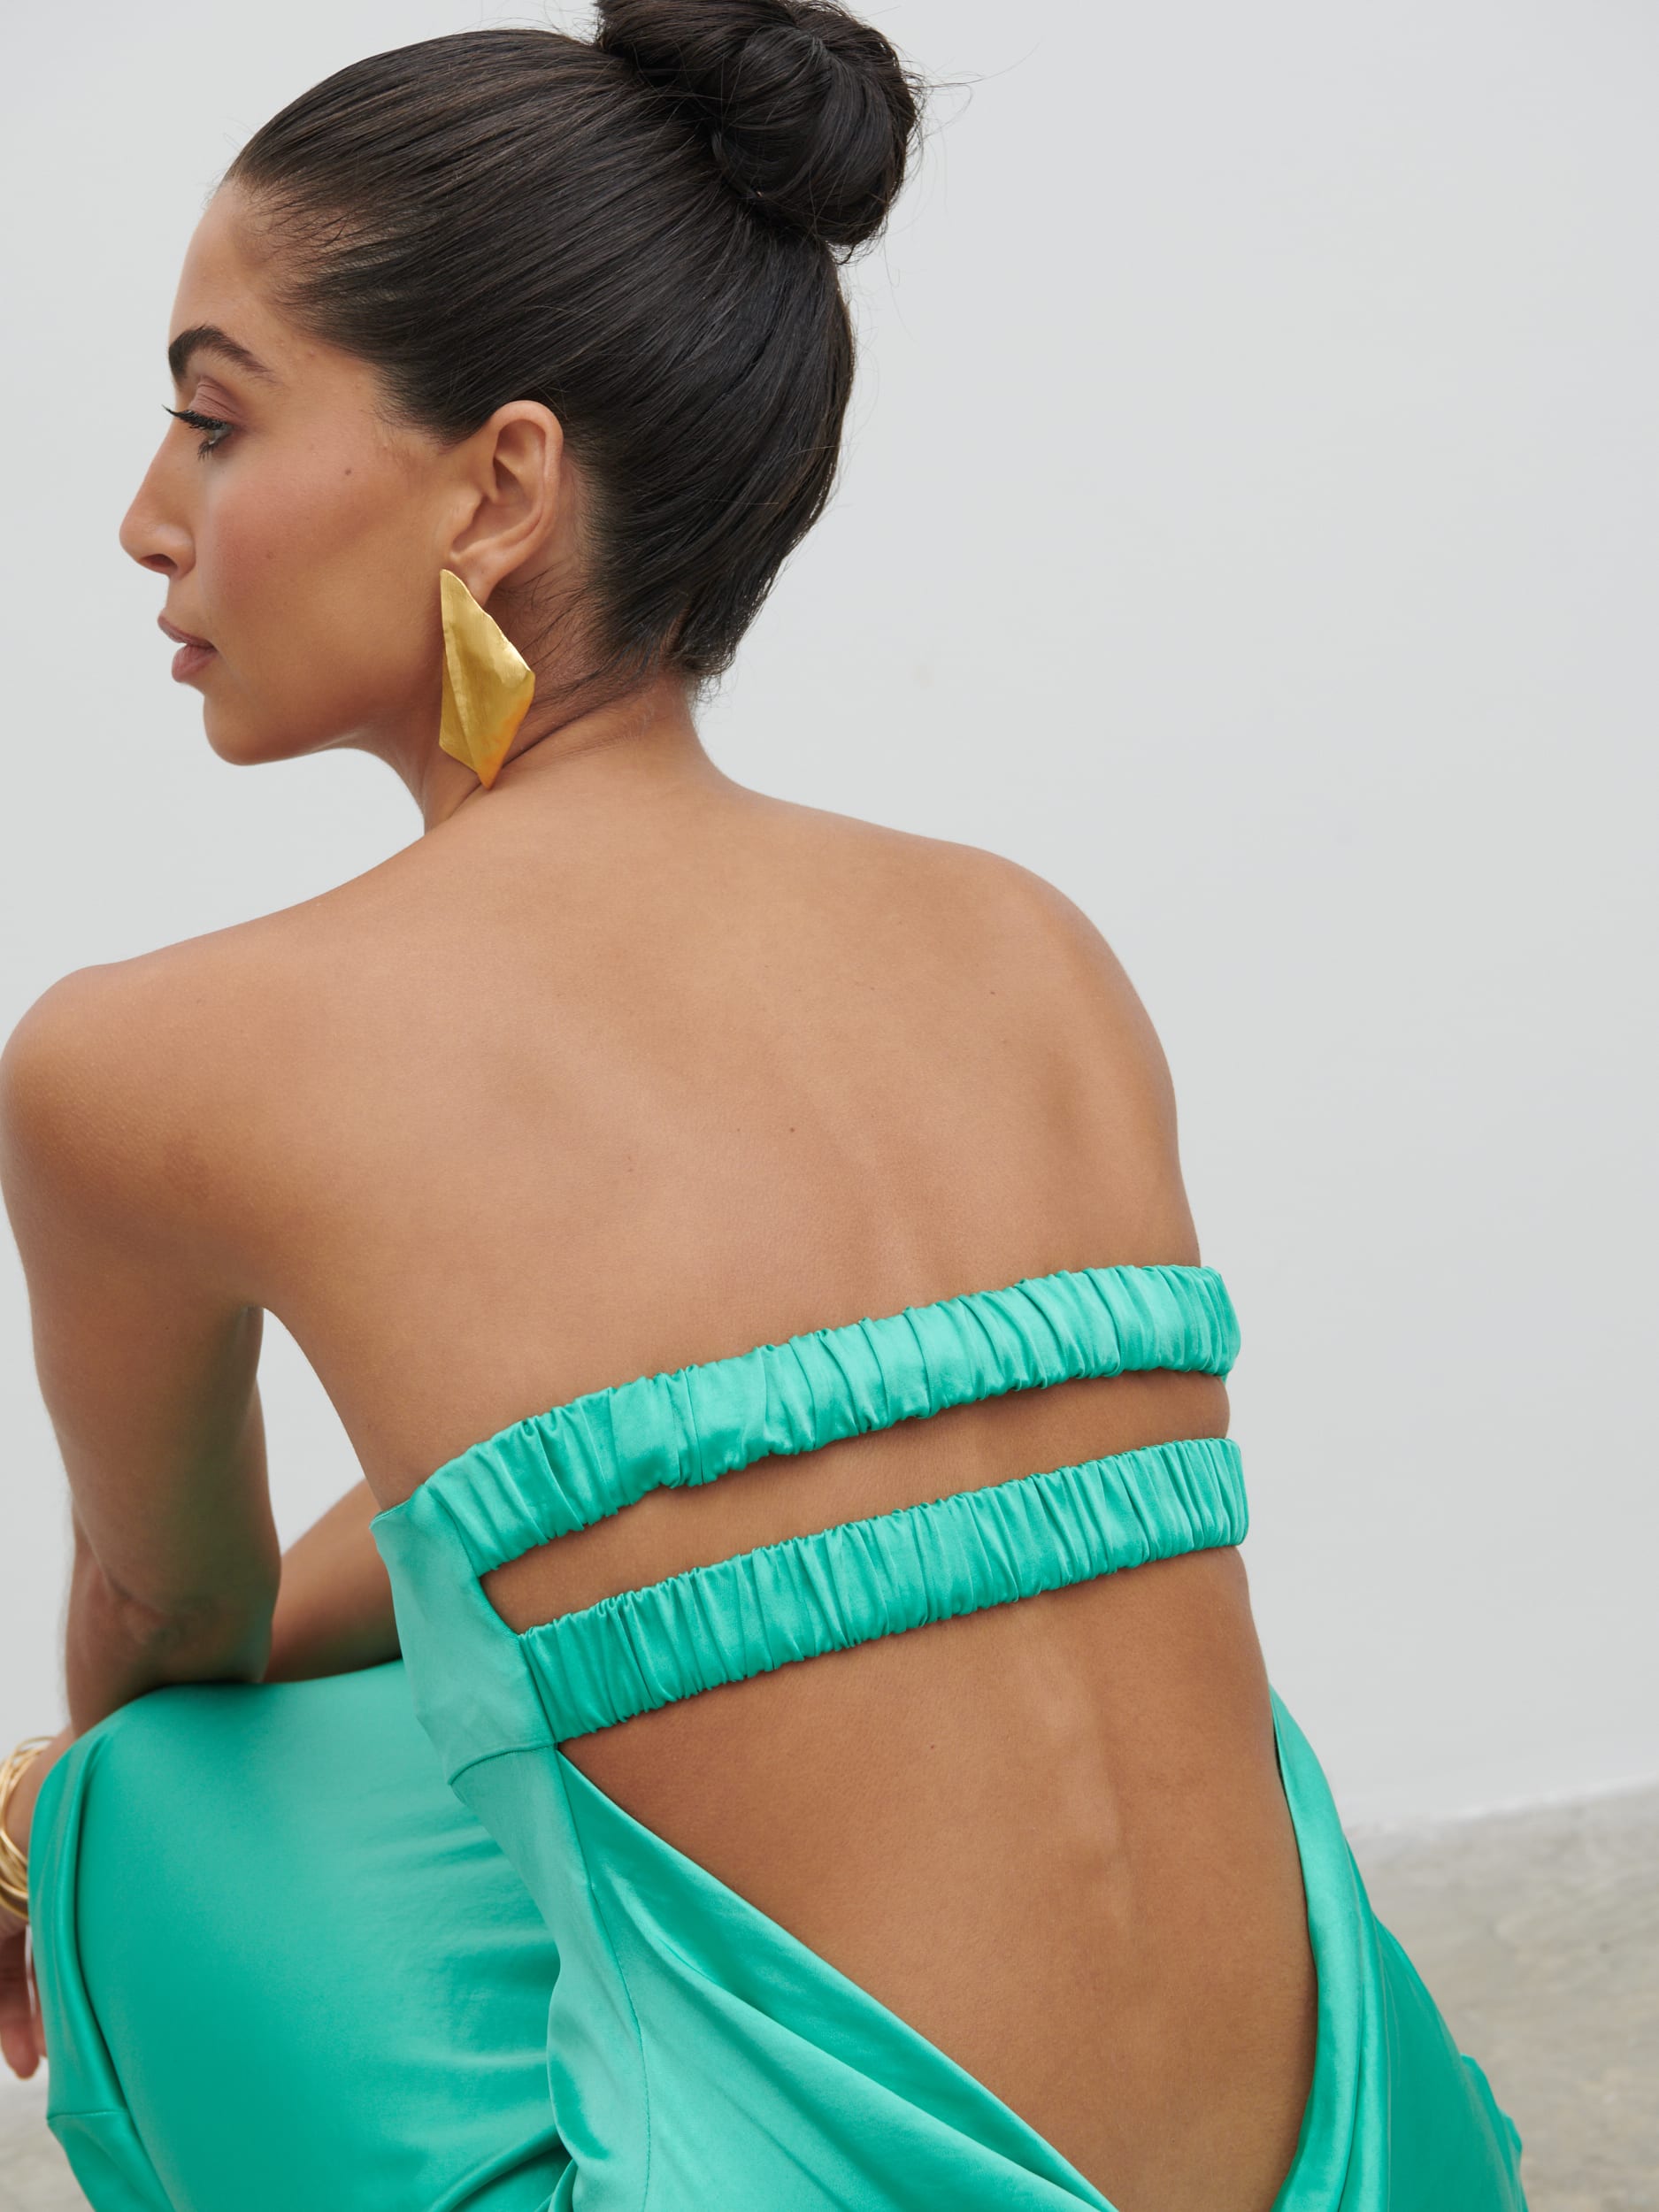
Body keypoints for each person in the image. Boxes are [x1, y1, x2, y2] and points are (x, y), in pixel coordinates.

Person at [0, 4, 1529, 2208]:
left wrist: (33, 1815)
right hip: (1375, 2162)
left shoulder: (154, 1057)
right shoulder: (1025, 939)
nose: (149, 519)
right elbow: (668, 1474)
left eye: (214, 422)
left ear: (497, 489)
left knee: (133, 1803)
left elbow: (178, 1637)